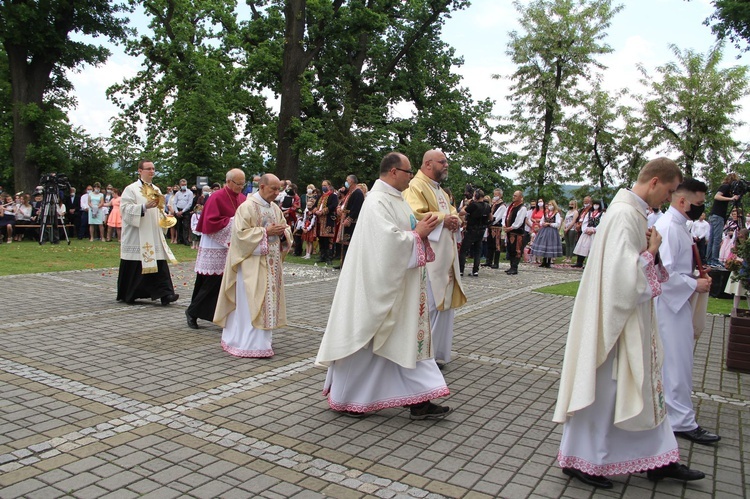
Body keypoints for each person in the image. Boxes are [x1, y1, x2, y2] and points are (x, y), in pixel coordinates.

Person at [554, 157, 705, 489]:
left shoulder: (634, 212)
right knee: (605, 391)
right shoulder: (624, 214)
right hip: (615, 320)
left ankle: (660, 458)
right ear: (654, 182)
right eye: (667, 191)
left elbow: (632, 268)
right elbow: (621, 277)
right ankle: (582, 459)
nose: (667, 199)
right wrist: (650, 253)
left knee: (646, 387)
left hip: (631, 316)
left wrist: (652, 255)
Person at [316, 152, 452, 419]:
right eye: (408, 172)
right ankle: (349, 398)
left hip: (400, 289)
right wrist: (418, 235)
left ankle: (420, 400)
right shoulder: (377, 202)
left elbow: (406, 234)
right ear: (393, 172)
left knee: (404, 342)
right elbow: (387, 243)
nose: (411, 177)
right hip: (376, 290)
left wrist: (420, 232)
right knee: (367, 343)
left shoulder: (397, 200)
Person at [653, 178, 720, 445]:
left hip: (678, 305)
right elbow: (662, 274)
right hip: (669, 307)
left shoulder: (681, 225)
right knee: (676, 364)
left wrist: (695, 277)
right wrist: (695, 283)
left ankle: (676, 414)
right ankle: (680, 421)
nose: (701, 208)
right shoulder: (669, 227)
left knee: (679, 363)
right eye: (700, 203)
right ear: (683, 201)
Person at [214, 174, 291, 357]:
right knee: (250, 304)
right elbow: (240, 236)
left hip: (271, 265)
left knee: (267, 303)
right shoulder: (247, 207)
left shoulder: (274, 208)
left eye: (278, 189)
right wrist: (265, 232)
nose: (276, 193)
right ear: (262, 186)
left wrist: (283, 233)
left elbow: (285, 228)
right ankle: (246, 343)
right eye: (273, 189)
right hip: (251, 265)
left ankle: (263, 343)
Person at [404, 149, 467, 368]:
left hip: (444, 256)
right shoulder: (416, 186)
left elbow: (451, 212)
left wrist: (455, 219)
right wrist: (444, 219)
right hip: (429, 258)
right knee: (429, 305)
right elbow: (413, 214)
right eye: (443, 162)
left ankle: (436, 353)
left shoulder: (438, 189)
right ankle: (421, 355)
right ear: (428, 164)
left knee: (444, 305)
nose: (446, 165)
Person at [185, 169, 247, 329]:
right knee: (209, 282)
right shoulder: (216, 197)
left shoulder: (242, 198)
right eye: (238, 184)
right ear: (229, 182)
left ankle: (219, 315)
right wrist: (233, 222)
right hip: (214, 245)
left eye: (243, 184)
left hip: (231, 247)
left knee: (222, 283)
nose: (241, 187)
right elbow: (211, 222)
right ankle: (193, 311)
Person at [116, 160, 179, 306]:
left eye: (153, 168)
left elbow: (160, 209)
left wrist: (165, 217)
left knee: (159, 263)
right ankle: (130, 294)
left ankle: (166, 294)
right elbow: (125, 209)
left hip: (153, 232)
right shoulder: (131, 189)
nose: (152, 171)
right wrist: (143, 207)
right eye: (148, 169)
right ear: (140, 171)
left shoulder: (156, 189)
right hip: (138, 234)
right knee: (137, 264)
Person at [707, 173, 740, 267]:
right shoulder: (725, 187)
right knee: (716, 239)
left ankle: (709, 260)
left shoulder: (727, 189)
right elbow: (717, 196)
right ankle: (714, 260)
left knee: (712, 239)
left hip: (715, 215)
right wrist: (730, 198)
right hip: (718, 216)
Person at [333, 174, 365, 269]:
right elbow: (342, 203)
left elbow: (357, 208)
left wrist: (349, 218)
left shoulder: (358, 193)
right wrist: (339, 208)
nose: (346, 182)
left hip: (352, 222)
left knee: (349, 243)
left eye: (347, 180)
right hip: (345, 218)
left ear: (352, 181)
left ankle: (348, 265)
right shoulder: (350, 192)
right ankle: (343, 263)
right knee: (344, 243)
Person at [458, 188, 490, 277]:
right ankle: (475, 270)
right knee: (477, 251)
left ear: (476, 196)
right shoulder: (487, 206)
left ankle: (461, 270)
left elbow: (461, 213)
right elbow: (491, 217)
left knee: (464, 250)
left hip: (472, 229)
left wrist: (466, 205)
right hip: (481, 229)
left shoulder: (474, 205)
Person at [502, 191, 528, 275]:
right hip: (509, 231)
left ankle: (514, 267)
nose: (513, 197)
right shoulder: (511, 206)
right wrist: (504, 225)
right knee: (510, 249)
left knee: (516, 250)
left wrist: (512, 227)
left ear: (520, 197)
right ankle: (511, 266)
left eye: (515, 196)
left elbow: (519, 221)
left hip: (517, 232)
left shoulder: (522, 208)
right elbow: (505, 216)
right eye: (513, 195)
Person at [571, 200, 603, 268]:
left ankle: (590, 264)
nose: (595, 206)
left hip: (594, 233)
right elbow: (585, 222)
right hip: (586, 232)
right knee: (582, 247)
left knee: (592, 248)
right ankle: (579, 262)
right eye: (594, 204)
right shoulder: (589, 213)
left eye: (597, 204)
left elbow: (602, 223)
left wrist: (594, 230)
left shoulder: (602, 214)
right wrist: (585, 229)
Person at [531, 200, 563, 267]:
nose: (549, 206)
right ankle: (544, 261)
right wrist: (542, 223)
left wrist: (549, 224)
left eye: (551, 204)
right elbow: (541, 221)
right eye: (548, 204)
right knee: (544, 244)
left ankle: (548, 261)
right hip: (544, 230)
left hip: (552, 231)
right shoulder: (546, 213)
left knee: (550, 245)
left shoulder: (556, 214)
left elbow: (558, 224)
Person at [314, 180, 338, 264]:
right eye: (322, 185)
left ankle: (329, 257)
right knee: (321, 239)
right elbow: (315, 205)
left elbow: (333, 205)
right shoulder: (320, 196)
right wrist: (316, 210)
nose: (323, 186)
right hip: (320, 221)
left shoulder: (333, 196)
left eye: (325, 185)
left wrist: (323, 211)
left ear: (329, 186)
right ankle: (322, 256)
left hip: (328, 220)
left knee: (328, 239)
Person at [483, 189, 506, 269]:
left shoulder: (502, 206)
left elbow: (497, 217)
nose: (494, 196)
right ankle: (488, 261)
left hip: (496, 227)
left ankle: (496, 262)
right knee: (490, 244)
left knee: (497, 244)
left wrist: (491, 220)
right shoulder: (493, 204)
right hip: (491, 227)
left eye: (496, 195)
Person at [172, 178, 194, 245]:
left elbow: (189, 203)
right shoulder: (178, 193)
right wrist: (176, 211)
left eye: (185, 184)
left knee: (186, 226)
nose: (184, 185)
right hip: (178, 209)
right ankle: (179, 239)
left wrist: (183, 211)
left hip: (186, 211)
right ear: (180, 185)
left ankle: (186, 240)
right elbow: (174, 202)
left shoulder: (189, 193)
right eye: (182, 184)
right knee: (178, 226)